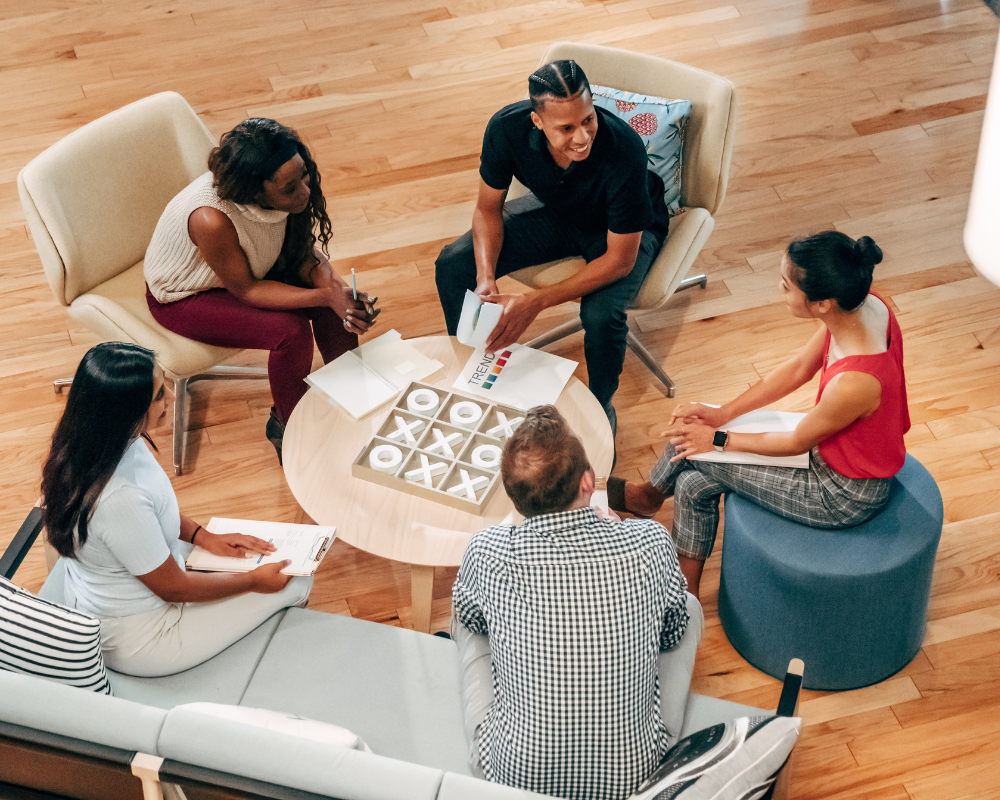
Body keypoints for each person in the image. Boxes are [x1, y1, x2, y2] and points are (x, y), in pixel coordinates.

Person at [609, 232, 909, 598]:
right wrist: (724, 414)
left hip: (840, 493)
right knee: (691, 481)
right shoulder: (864, 307)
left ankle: (648, 501)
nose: (778, 290)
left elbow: (796, 441)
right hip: (827, 451)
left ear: (822, 304)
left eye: (786, 287)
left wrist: (717, 439)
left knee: (692, 447)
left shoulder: (857, 382)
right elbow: (799, 368)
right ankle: (684, 593)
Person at [451, 405, 695, 800]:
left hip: (512, 777)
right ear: (588, 483)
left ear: (514, 499)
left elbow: (473, 620)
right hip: (634, 775)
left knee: (465, 616)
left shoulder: (485, 551)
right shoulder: (649, 541)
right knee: (688, 607)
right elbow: (671, 634)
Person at [40, 342, 312, 678]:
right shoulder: (117, 499)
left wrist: (203, 536)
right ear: (126, 410)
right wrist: (253, 581)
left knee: (275, 565)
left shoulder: (97, 441)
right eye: (158, 396)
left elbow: (154, 509)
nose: (171, 396)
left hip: (135, 580)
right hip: (146, 634)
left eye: (164, 383)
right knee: (298, 583)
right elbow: (174, 588)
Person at [434, 60, 671, 434]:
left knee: (601, 316)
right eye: (566, 128)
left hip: (619, 232)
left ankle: (600, 406)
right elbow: (486, 210)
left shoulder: (623, 149)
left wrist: (536, 302)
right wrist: (485, 278)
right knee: (452, 263)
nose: (582, 137)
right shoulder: (505, 128)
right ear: (537, 122)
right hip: (560, 211)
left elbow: (620, 261)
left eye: (588, 119)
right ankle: (473, 370)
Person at [144, 117, 378, 463]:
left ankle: (353, 393)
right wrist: (325, 294)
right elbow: (247, 290)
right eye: (289, 188)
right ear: (254, 191)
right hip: (185, 294)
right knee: (290, 332)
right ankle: (289, 425)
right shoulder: (211, 218)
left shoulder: (288, 191)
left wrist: (339, 293)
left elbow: (299, 254)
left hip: (250, 268)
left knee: (332, 300)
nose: (305, 191)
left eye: (304, 174)